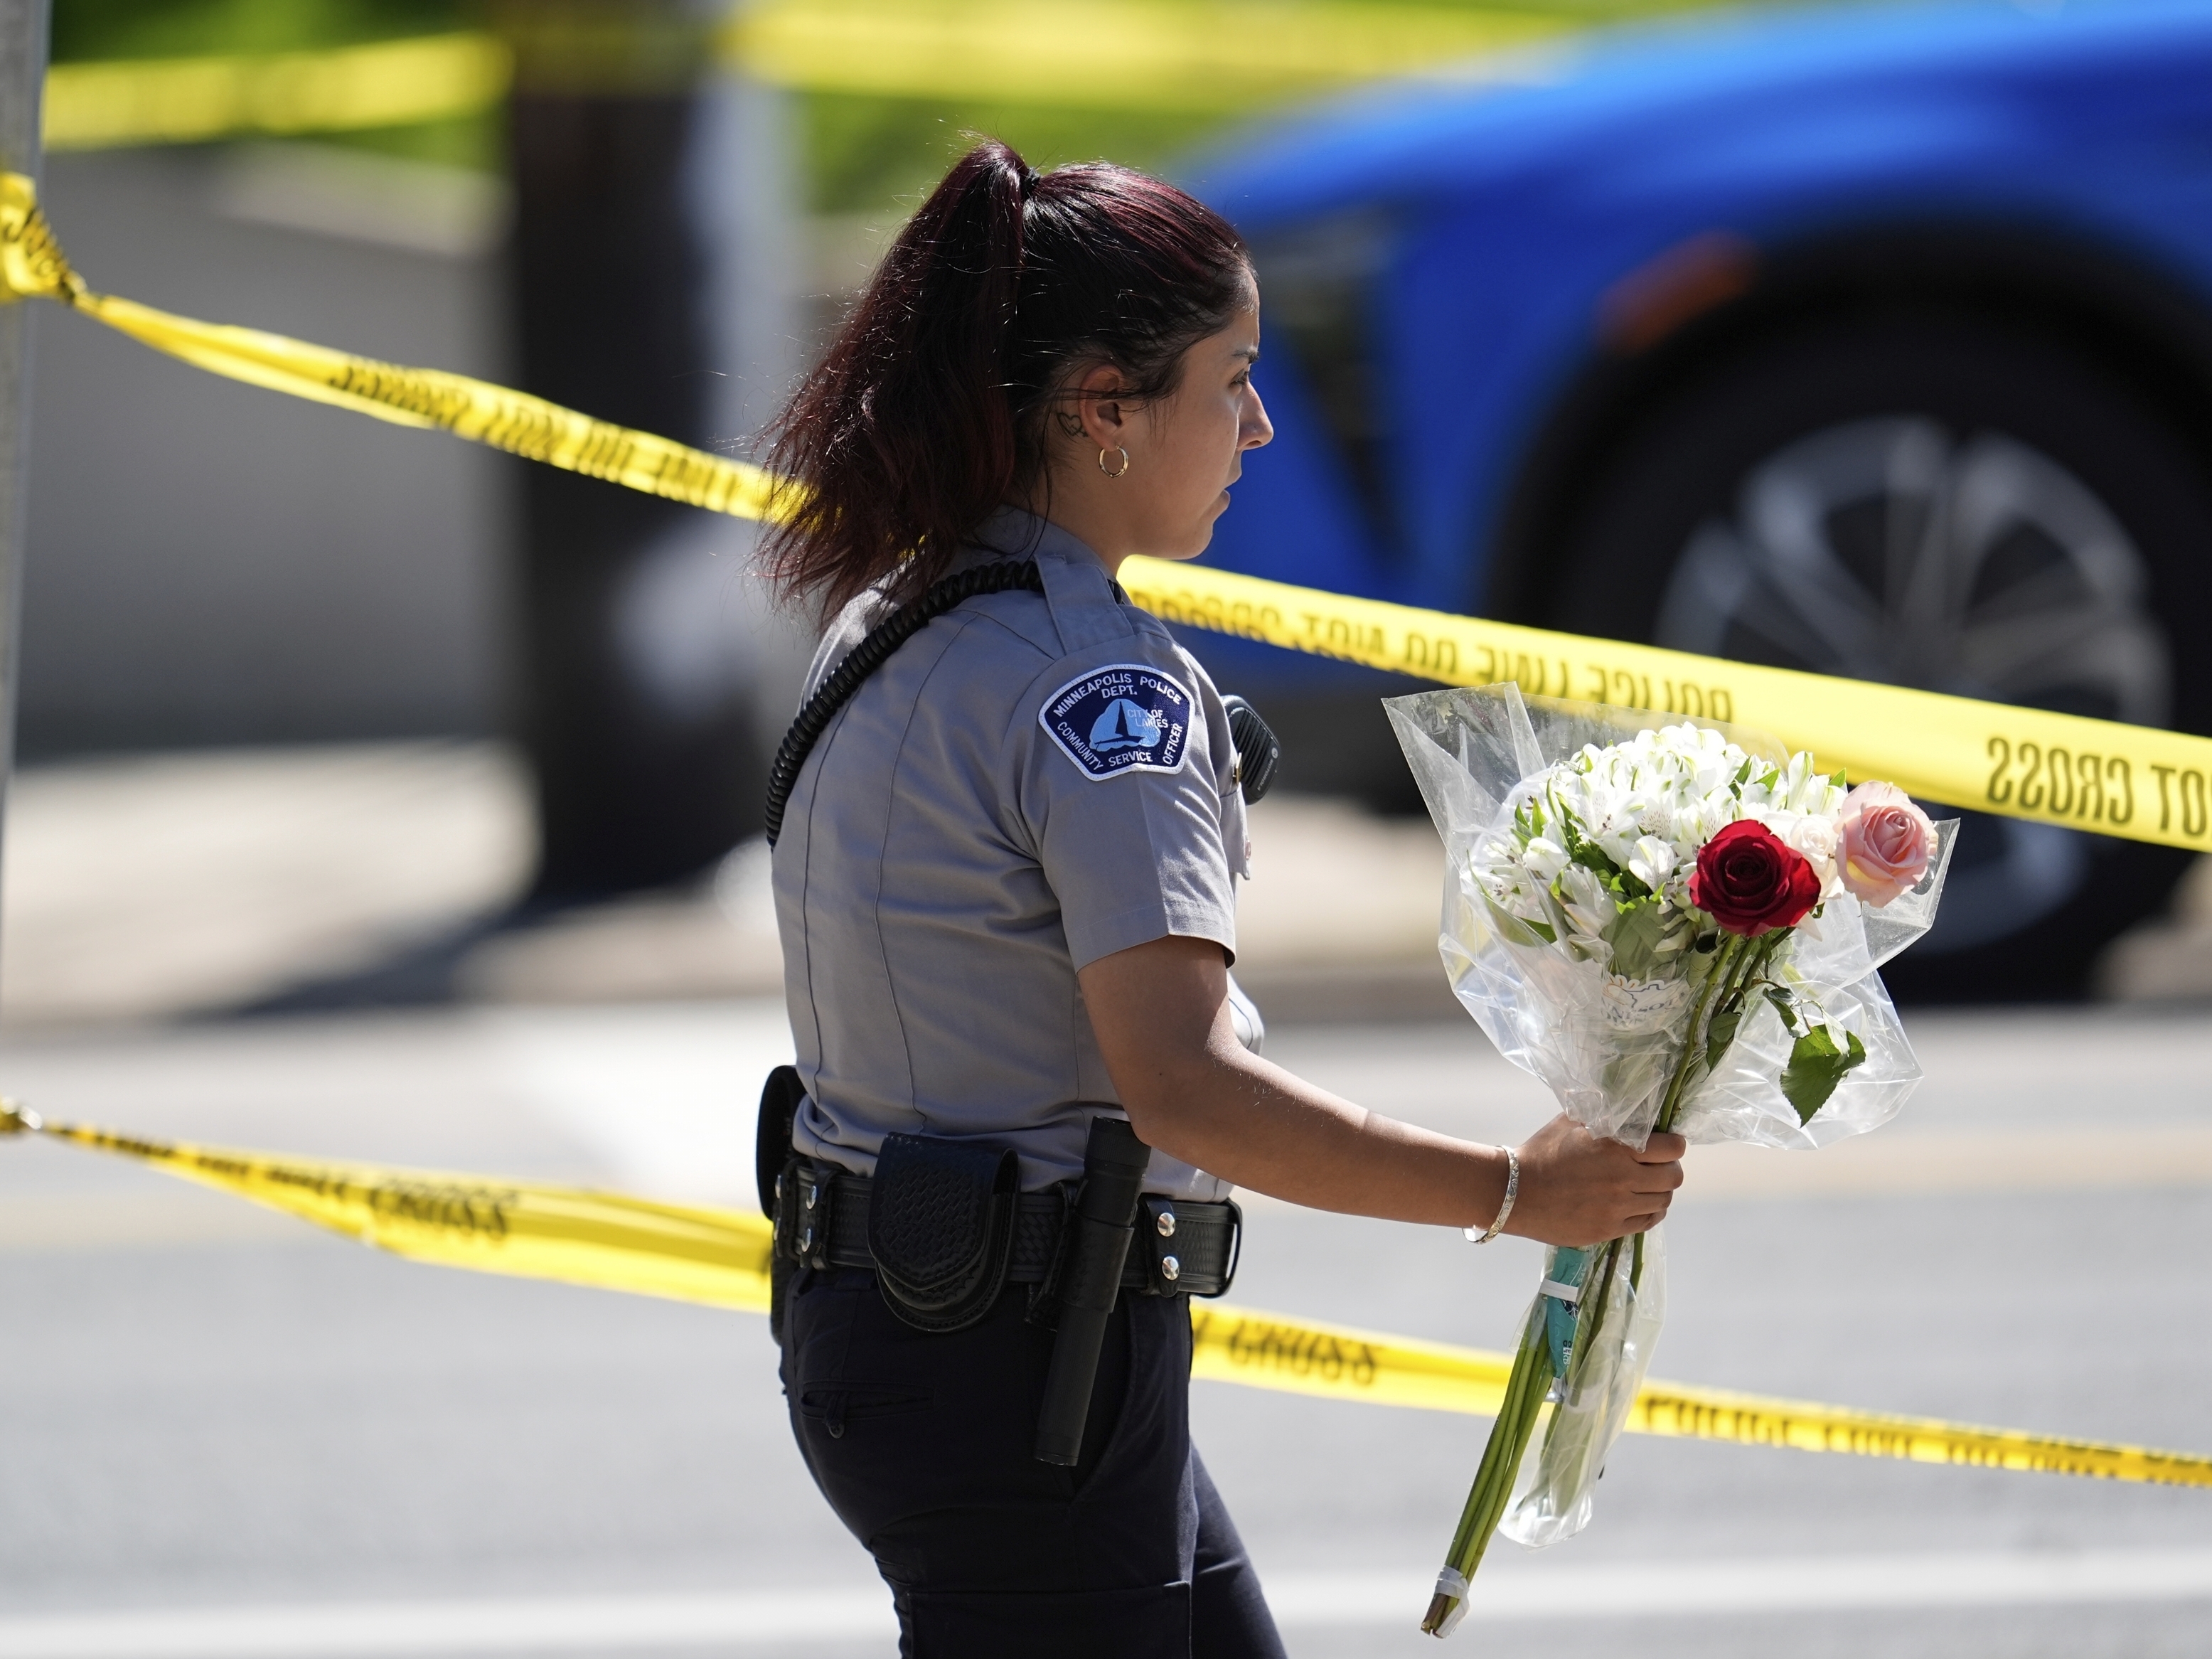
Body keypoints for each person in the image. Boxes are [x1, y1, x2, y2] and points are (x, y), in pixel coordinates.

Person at [759, 138, 1686, 1659]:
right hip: (1020, 1366)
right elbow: (1183, 1085)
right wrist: (1515, 1194)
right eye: (1230, 378)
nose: (1259, 424)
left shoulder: (897, 608)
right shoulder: (1097, 686)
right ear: (1101, 410)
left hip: (918, 1334)